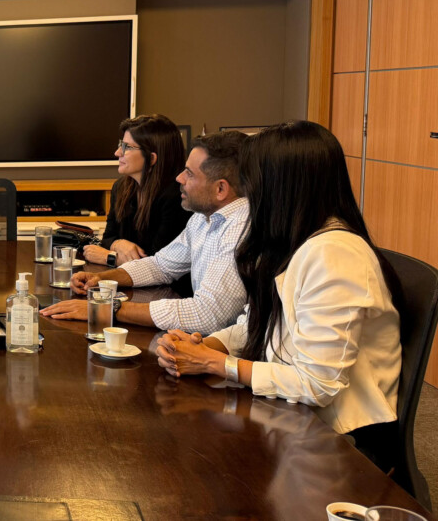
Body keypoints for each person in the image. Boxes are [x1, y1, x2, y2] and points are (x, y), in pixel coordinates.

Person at [156, 121, 401, 470]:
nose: (245, 195)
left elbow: (318, 384)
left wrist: (213, 363)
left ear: (280, 186)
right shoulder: (292, 241)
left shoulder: (335, 255)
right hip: (289, 414)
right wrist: (202, 347)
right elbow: (256, 324)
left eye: (251, 183)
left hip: (339, 442)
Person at [41, 131, 250, 334]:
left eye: (190, 173)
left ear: (220, 189)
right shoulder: (203, 218)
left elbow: (207, 315)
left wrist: (107, 307)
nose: (179, 178)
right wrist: (100, 278)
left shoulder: (239, 229)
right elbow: (161, 265)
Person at [82, 114, 191, 267]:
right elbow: (107, 238)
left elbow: (160, 264)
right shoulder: (120, 187)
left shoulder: (177, 197)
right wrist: (119, 243)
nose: (117, 152)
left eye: (127, 147)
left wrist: (110, 257)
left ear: (151, 159)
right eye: (121, 144)